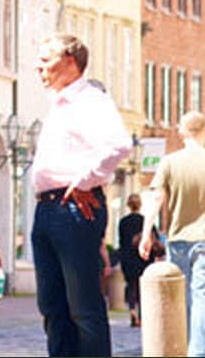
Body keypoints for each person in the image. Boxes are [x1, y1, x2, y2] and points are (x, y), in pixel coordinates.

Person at [31, 34, 131, 357]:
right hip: (47, 209)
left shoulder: (90, 101)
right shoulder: (58, 104)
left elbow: (119, 145)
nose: (39, 66)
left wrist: (85, 181)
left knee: (83, 308)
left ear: (71, 62)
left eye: (46, 59)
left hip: (73, 209)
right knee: (52, 307)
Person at [140, 112, 205, 357]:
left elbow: (156, 199)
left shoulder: (169, 162)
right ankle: (199, 352)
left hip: (179, 238)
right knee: (204, 297)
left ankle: (180, 347)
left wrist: (146, 234)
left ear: (181, 132)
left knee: (181, 297)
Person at [117, 193, 152, 327]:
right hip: (143, 257)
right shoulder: (144, 221)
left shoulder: (123, 222)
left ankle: (132, 311)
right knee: (142, 288)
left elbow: (121, 241)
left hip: (128, 257)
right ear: (140, 204)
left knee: (131, 287)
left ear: (128, 205)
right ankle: (142, 317)